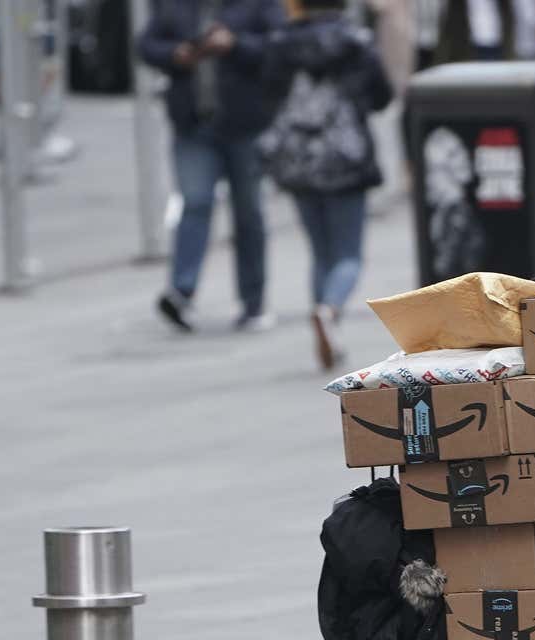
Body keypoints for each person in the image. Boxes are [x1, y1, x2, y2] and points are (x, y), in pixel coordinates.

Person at [138, 0, 287, 333]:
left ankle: (253, 302)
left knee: (248, 213)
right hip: (193, 125)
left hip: (244, 126)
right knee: (194, 202)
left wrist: (235, 44)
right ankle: (181, 293)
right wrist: (174, 53)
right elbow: (146, 44)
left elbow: (278, 48)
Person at [263, 0, 393, 370]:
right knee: (348, 254)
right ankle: (329, 310)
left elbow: (268, 91)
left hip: (299, 155)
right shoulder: (355, 41)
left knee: (320, 251)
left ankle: (325, 325)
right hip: (344, 156)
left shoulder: (282, 43)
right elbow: (381, 95)